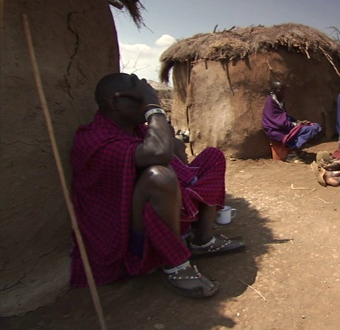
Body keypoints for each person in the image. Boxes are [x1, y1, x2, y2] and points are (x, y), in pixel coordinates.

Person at [70, 73, 244, 298]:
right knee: (159, 176)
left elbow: (169, 143)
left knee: (213, 156)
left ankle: (201, 241)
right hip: (130, 229)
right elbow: (159, 152)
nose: (144, 98)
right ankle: (175, 264)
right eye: (139, 95)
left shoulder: (137, 131)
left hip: (166, 205)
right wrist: (152, 106)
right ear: (115, 102)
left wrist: (174, 143)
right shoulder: (95, 140)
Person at [262, 81, 322, 163]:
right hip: (275, 130)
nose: (283, 92)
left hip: (283, 127)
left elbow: (284, 117)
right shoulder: (271, 103)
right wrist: (294, 125)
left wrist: (298, 122)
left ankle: (296, 151)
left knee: (314, 126)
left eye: (284, 89)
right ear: (274, 91)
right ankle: (292, 154)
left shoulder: (280, 101)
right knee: (309, 130)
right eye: (281, 89)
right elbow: (277, 121)